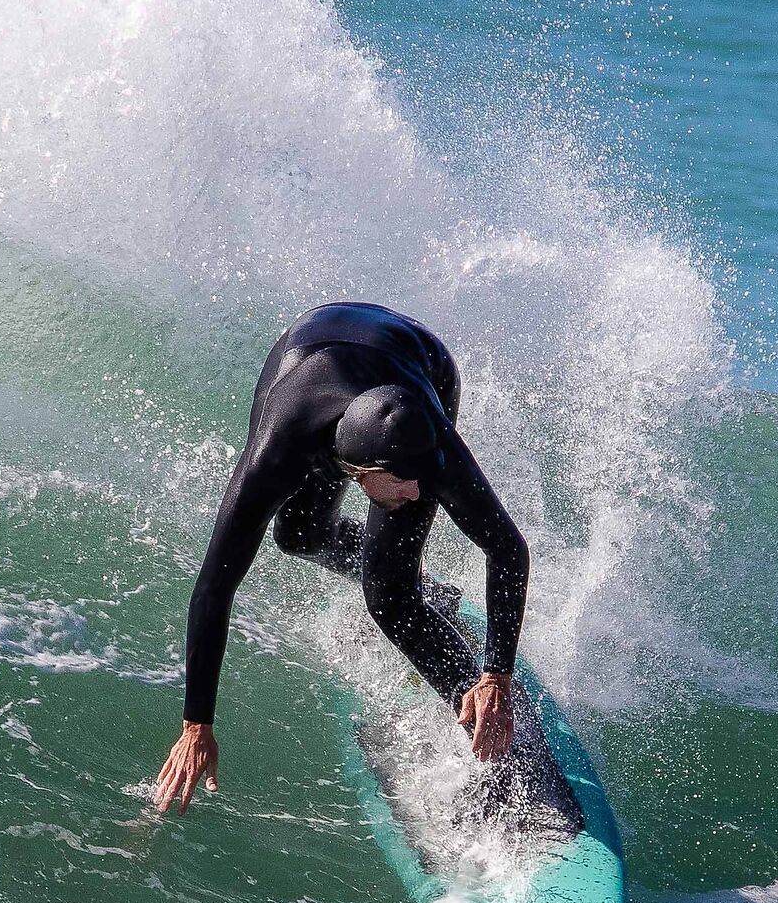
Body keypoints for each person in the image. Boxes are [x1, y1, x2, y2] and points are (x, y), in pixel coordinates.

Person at [153, 302, 529, 812]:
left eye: (423, 478)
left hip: (413, 366)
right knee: (297, 535)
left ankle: (491, 728)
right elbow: (213, 590)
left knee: (390, 598)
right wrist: (196, 725)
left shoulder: (425, 448)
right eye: (405, 482)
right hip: (308, 361)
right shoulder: (275, 455)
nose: (420, 493)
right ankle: (426, 591)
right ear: (362, 470)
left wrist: (497, 675)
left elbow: (507, 548)